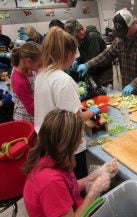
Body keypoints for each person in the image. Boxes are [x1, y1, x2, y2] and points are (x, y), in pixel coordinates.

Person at [23, 109, 118, 217]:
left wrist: (94, 176)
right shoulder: (51, 182)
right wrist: (93, 192)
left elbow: (70, 186)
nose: (81, 141)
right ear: (66, 143)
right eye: (79, 137)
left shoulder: (52, 156)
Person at [34, 27, 100, 179]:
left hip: (48, 142)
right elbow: (75, 118)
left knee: (61, 184)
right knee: (74, 187)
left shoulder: (42, 74)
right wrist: (93, 111)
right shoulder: (63, 80)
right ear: (69, 54)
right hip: (67, 146)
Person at [76, 9, 137, 100]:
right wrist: (88, 65)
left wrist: (133, 85)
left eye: (124, 31)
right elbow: (107, 54)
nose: (122, 35)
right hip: (127, 86)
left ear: (132, 24)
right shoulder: (121, 38)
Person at [64, 18, 112, 87]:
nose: (77, 39)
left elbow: (94, 59)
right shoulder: (82, 40)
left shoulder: (93, 37)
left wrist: (82, 71)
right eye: (76, 37)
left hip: (103, 75)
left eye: (77, 36)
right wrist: (78, 60)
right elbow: (84, 56)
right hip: (94, 74)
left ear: (81, 28)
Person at [10, 41, 42, 122]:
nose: (40, 67)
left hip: (35, 109)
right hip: (27, 119)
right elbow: (31, 109)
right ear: (28, 61)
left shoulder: (27, 67)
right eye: (39, 65)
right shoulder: (19, 81)